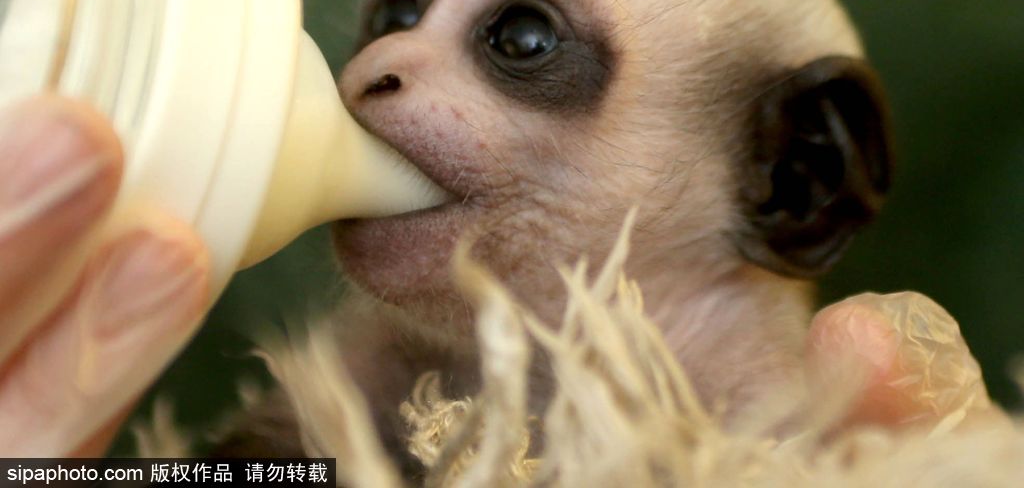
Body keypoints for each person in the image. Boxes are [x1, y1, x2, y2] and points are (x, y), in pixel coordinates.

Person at [0, 95, 1001, 457]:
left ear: (785, 179)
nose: (376, 67)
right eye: (396, 7)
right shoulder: (364, 385)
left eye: (522, 43)